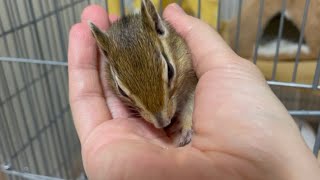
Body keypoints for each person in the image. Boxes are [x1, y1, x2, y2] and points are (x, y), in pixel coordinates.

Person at [68, 3, 320, 180]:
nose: (160, 120)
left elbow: (195, 88)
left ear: (158, 26)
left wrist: (189, 122)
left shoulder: (182, 54)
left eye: (168, 73)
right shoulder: (112, 67)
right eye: (124, 92)